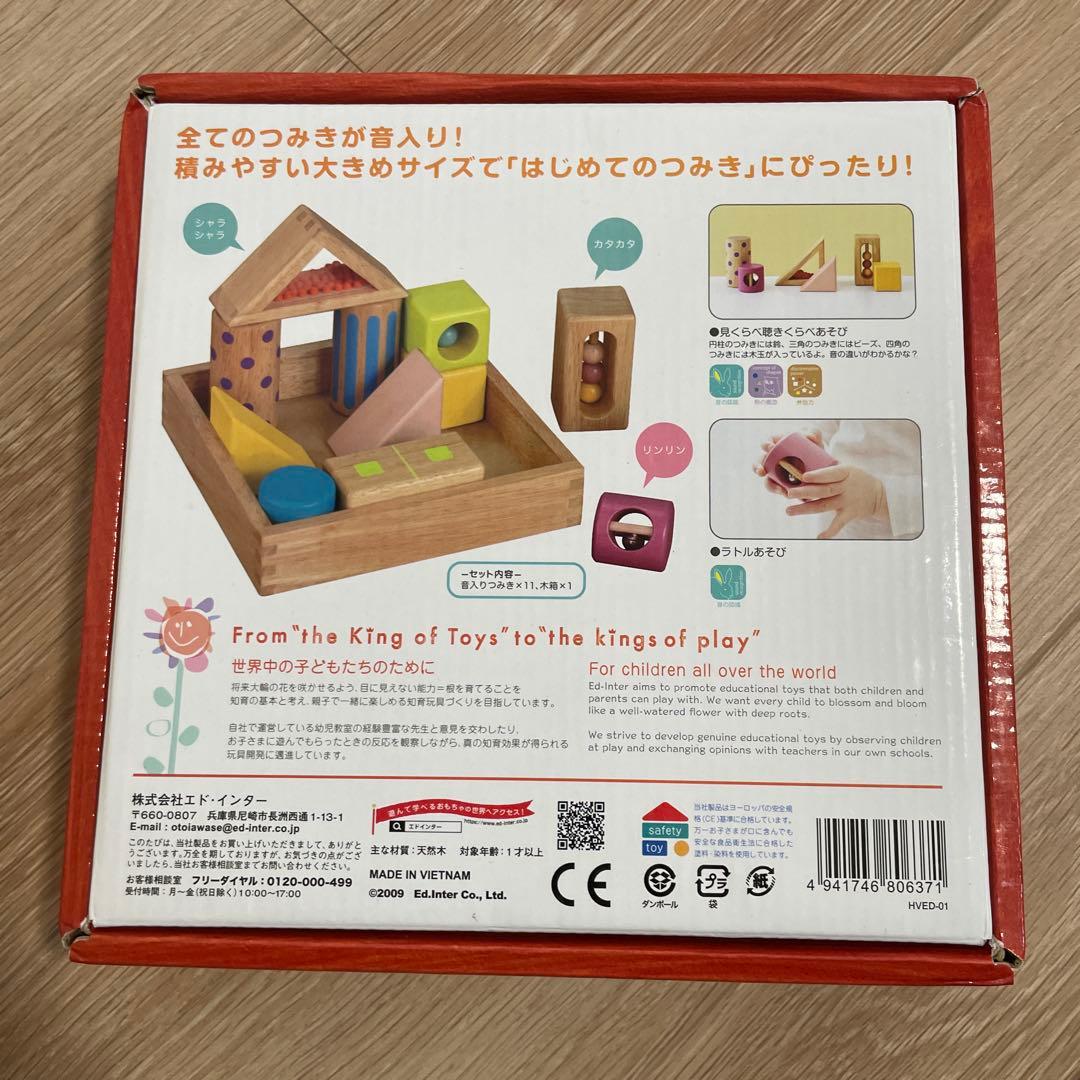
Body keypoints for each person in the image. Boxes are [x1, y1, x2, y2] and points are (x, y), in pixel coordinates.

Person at [753, 421, 923, 540]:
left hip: (901, 535)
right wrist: (808, 443)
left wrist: (878, 498)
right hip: (835, 519)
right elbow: (828, 426)